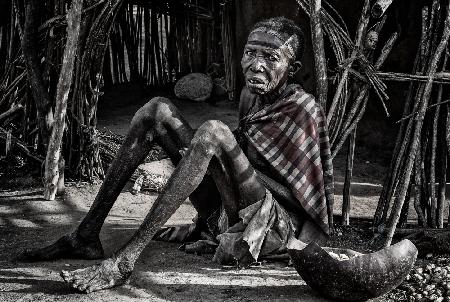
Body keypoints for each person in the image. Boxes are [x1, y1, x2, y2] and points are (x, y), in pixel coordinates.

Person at [20, 16, 334, 293]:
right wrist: (212, 157)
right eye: (250, 53)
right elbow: (243, 150)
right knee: (156, 110)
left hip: (272, 224)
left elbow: (304, 203)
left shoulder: (303, 109)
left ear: (291, 69)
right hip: (232, 205)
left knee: (212, 131)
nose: (256, 65)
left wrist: (218, 156)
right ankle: (86, 235)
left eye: (271, 57)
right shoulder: (249, 96)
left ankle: (125, 260)